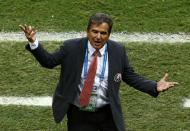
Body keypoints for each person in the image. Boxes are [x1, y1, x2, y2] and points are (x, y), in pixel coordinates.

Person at [20, 13, 178, 131]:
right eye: (94, 31)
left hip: (107, 113)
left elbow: (128, 75)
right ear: (87, 31)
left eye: (103, 33)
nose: (98, 36)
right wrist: (34, 43)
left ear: (109, 35)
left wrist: (154, 86)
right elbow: (49, 62)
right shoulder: (71, 47)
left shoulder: (118, 50)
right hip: (79, 114)